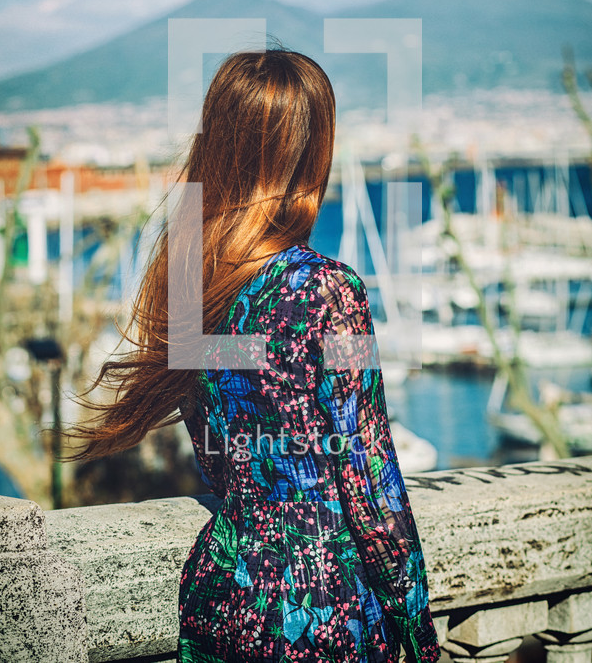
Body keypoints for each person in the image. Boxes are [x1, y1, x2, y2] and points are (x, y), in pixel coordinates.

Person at [58, 48, 441, 663]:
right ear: (312, 151)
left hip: (222, 591)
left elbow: (217, 453)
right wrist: (417, 626)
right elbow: (371, 488)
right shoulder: (328, 292)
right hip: (319, 611)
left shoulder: (190, 276)